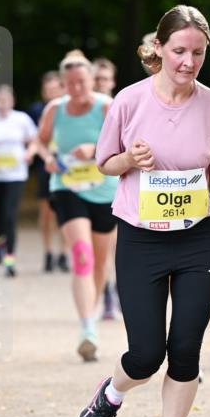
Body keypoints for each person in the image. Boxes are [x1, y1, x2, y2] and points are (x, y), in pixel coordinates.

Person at [77, 5, 210, 417]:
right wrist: (129, 157)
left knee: (186, 347)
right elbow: (105, 162)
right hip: (140, 238)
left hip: (197, 240)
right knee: (147, 353)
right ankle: (109, 396)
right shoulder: (129, 101)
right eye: (178, 52)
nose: (188, 62)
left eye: (196, 52)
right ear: (158, 49)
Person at [37, 52, 116, 361]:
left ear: (91, 80)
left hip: (104, 190)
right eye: (69, 83)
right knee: (81, 255)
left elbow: (124, 143)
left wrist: (95, 150)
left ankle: (92, 316)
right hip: (67, 188)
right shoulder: (54, 110)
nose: (76, 88)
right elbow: (41, 141)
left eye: (81, 82)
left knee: (99, 262)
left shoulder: (106, 107)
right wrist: (47, 157)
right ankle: (86, 329)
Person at [0, 85, 37, 276]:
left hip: (15, 175)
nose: (2, 104)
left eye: (6, 100)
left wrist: (29, 153)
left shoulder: (21, 119)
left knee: (10, 216)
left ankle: (9, 259)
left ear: (13, 101)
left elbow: (35, 140)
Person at [27, 70, 69, 273]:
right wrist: (41, 155)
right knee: (46, 213)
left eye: (55, 88)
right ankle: (48, 252)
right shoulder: (37, 109)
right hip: (46, 166)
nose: (51, 92)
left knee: (66, 211)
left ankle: (64, 253)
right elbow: (36, 138)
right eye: (47, 89)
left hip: (69, 166)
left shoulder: (70, 108)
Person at [92, 58, 120, 320]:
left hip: (118, 185)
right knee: (102, 250)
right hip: (89, 188)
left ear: (112, 81)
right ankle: (108, 294)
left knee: (120, 245)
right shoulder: (84, 110)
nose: (101, 84)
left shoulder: (122, 107)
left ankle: (119, 292)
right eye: (96, 79)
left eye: (105, 79)